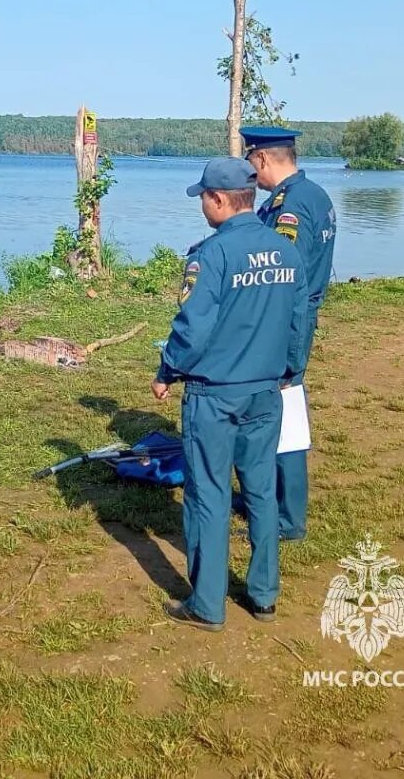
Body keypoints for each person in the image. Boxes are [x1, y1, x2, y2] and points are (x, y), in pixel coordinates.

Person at [153, 156, 307, 630]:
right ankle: (264, 595)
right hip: (267, 390)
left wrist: (167, 369)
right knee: (261, 491)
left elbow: (193, 327)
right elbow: (300, 320)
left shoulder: (212, 255)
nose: (201, 204)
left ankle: (207, 603)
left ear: (219, 200)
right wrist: (291, 369)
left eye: (203, 197)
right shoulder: (286, 251)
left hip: (214, 394)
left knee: (209, 494)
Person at [240, 124, 337, 542]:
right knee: (275, 409)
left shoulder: (292, 206)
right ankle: (268, 499)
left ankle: (287, 517)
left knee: (283, 413)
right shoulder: (314, 194)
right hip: (296, 316)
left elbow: (280, 274)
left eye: (250, 163)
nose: (250, 175)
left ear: (261, 158)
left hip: (285, 322)